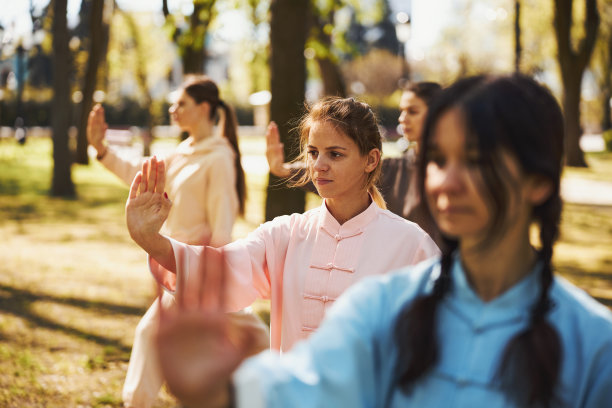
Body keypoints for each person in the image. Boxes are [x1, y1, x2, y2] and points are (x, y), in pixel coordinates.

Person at [152, 74, 612, 407]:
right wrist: (215, 388)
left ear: (538, 181)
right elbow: (302, 386)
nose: (448, 182)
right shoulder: (381, 306)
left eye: (475, 160)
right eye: (438, 160)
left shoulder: (595, 346)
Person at [126, 96, 440, 353]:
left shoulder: (411, 245)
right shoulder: (286, 234)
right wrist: (149, 239)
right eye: (314, 152)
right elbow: (219, 269)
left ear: (370, 160)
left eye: (335, 154)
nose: (319, 166)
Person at [87, 75, 270, 408]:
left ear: (203, 108)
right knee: (261, 342)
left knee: (148, 337)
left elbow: (222, 225)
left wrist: (210, 278)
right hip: (178, 273)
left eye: (180, 103)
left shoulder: (218, 157)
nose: (172, 109)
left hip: (198, 274)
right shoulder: (182, 152)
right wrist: (101, 150)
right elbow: (140, 179)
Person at [266, 82, 442, 243]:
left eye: (412, 111)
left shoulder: (454, 173)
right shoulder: (395, 169)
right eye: (313, 152)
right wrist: (283, 169)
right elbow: (338, 173)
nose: (402, 118)